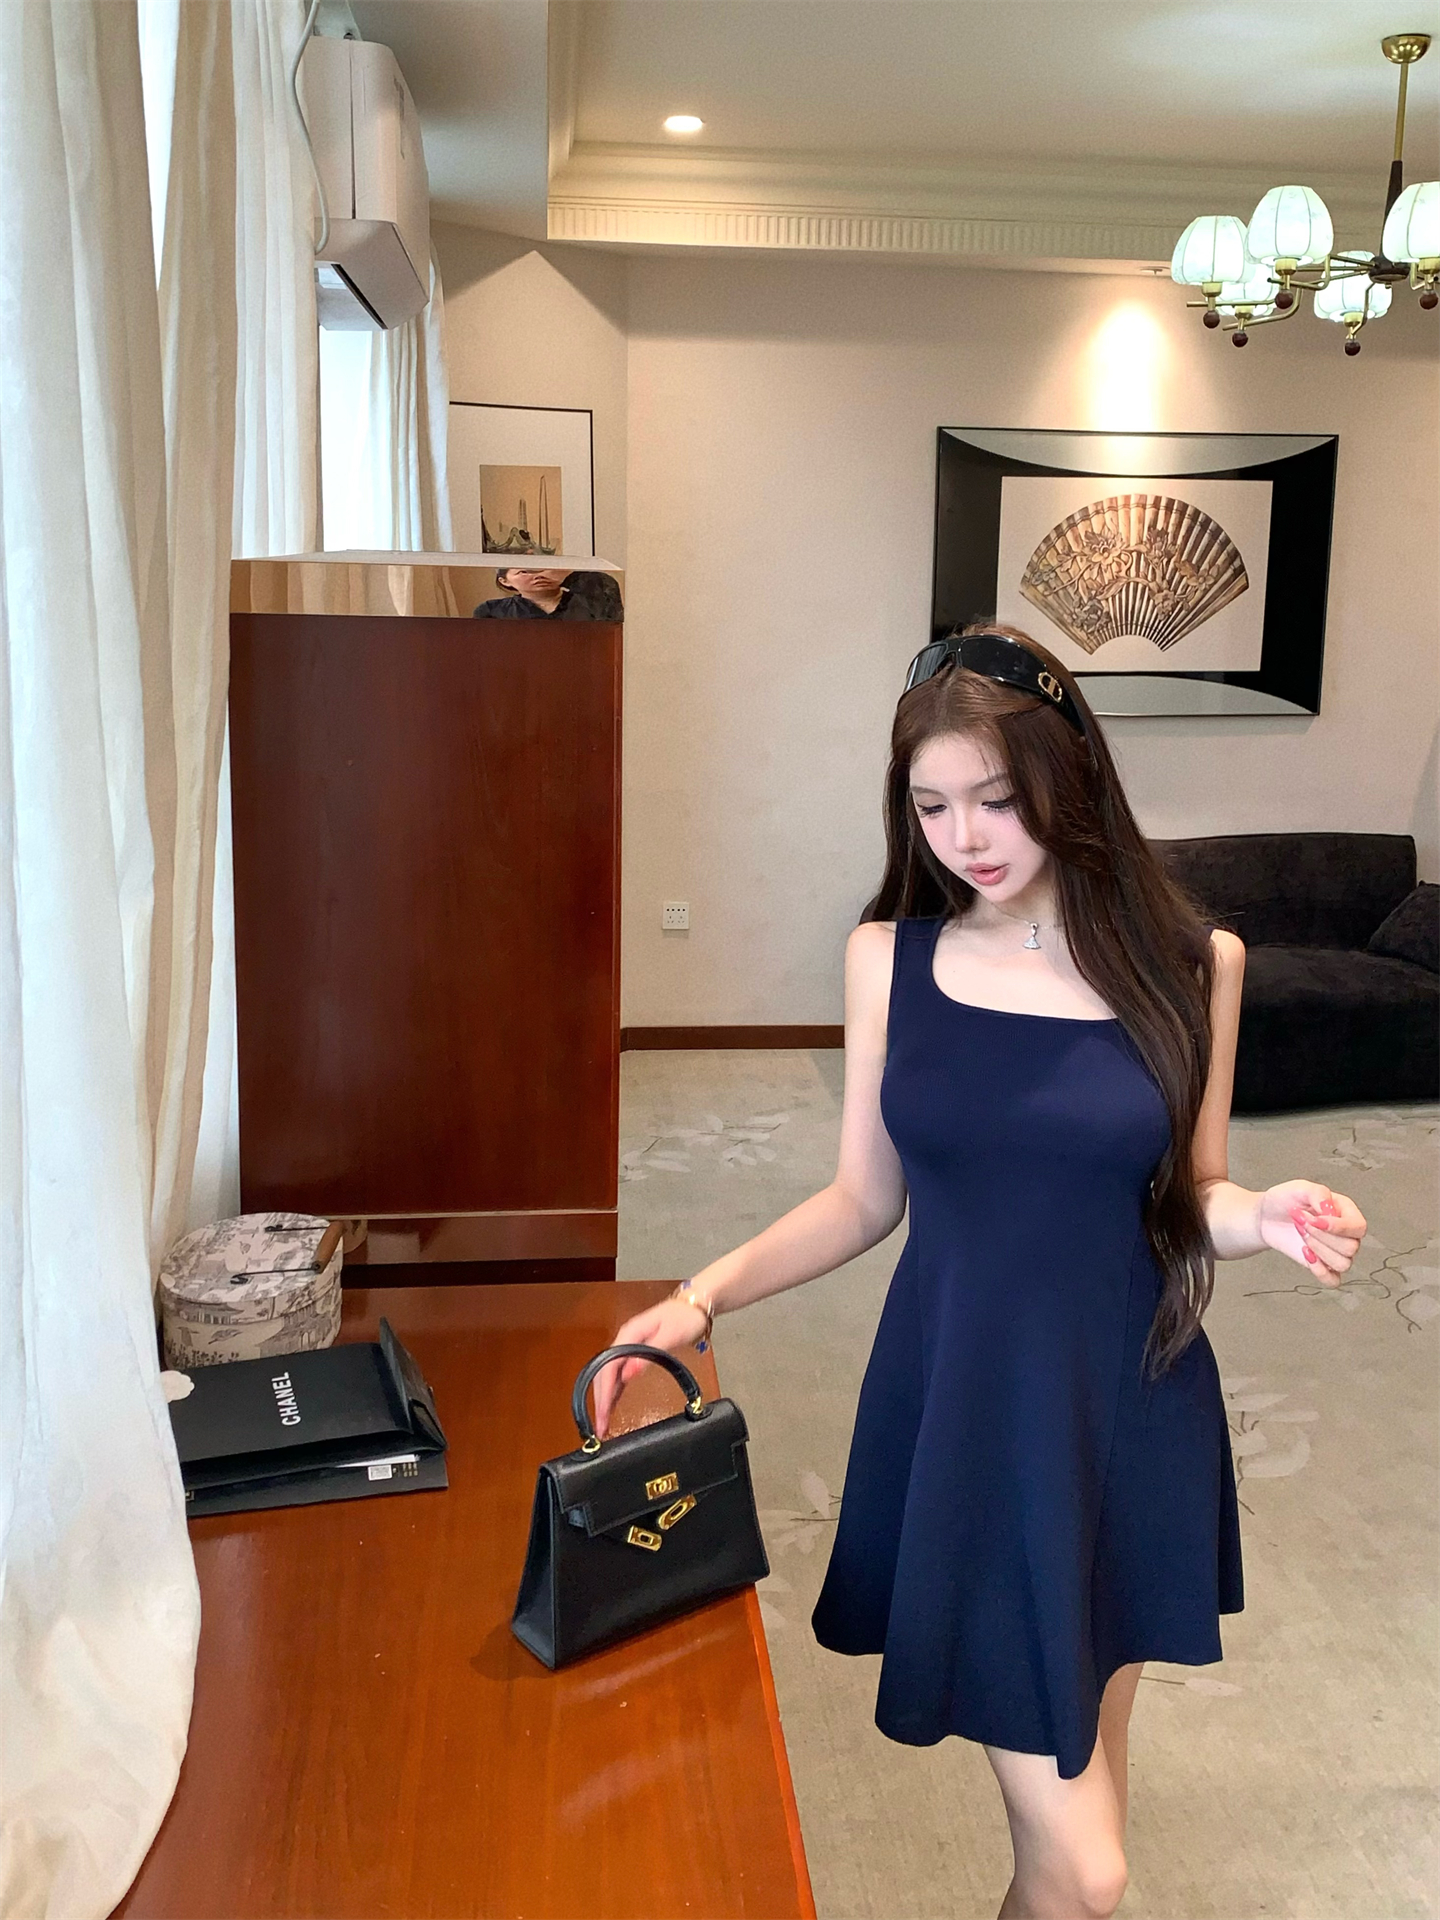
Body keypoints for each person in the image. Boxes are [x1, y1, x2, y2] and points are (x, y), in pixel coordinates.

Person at [590, 623, 1366, 1920]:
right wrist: (700, 1295)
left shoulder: (1196, 965)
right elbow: (863, 1198)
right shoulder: (890, 959)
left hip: (1130, 1410)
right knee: (1090, 1869)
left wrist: (1263, 1214)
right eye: (931, 806)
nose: (965, 838)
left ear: (1073, 776)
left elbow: (1192, 1195)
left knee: (1075, 1826)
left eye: (997, 800)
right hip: (968, 1413)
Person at [472, 566, 623, 620]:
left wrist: (568, 576)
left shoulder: (587, 599)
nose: (538, 575)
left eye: (543, 569)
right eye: (524, 572)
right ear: (505, 581)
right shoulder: (492, 610)